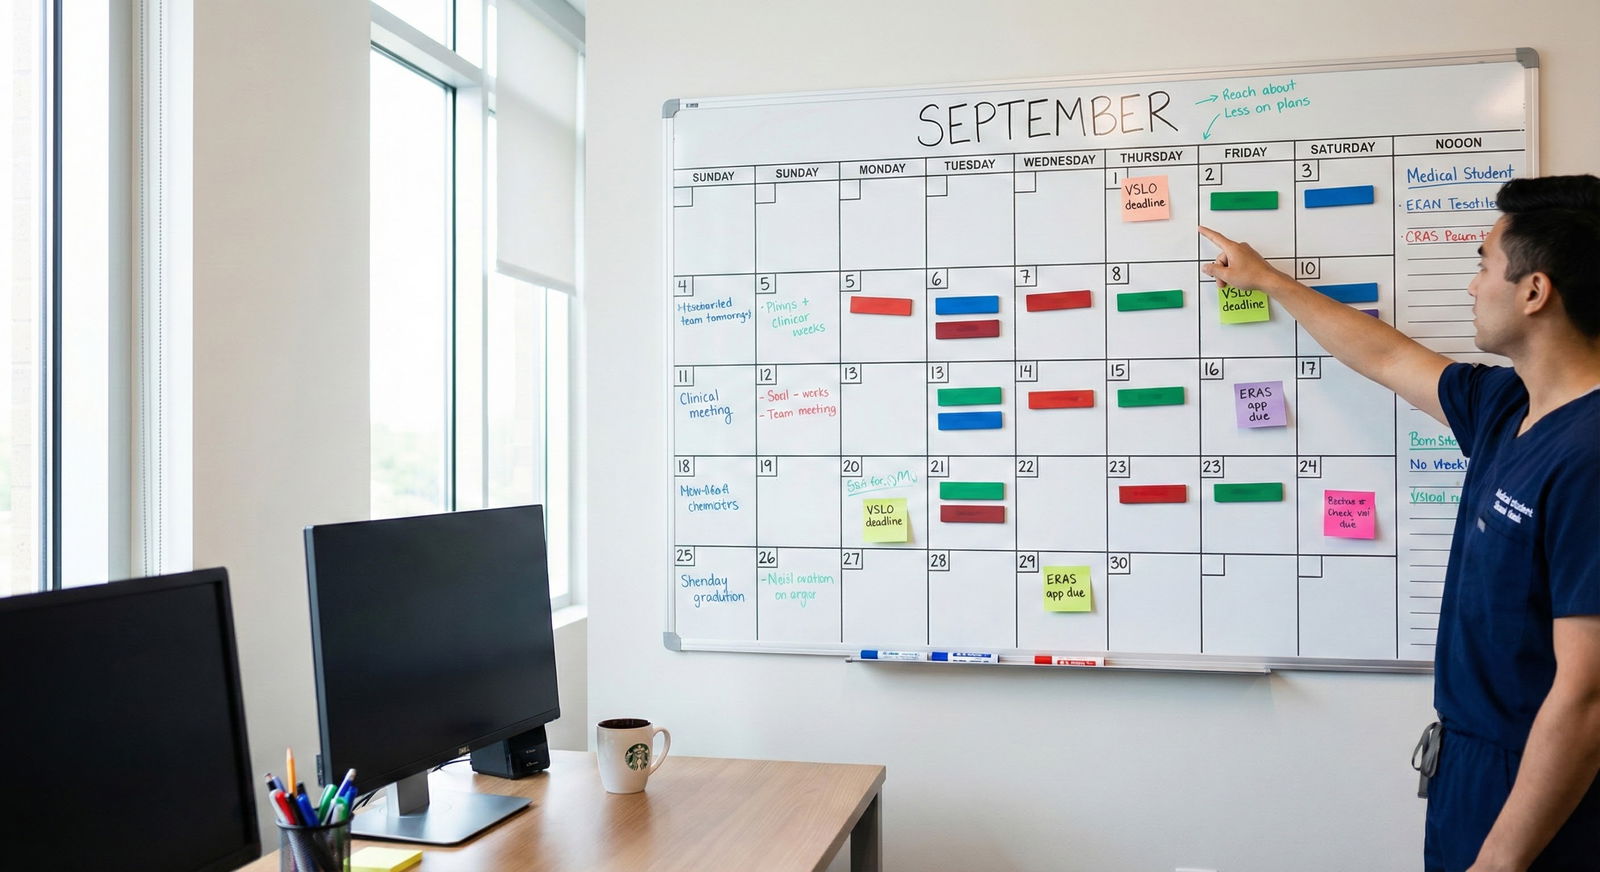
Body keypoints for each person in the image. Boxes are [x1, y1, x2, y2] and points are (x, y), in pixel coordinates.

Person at [1198, 174, 1600, 872]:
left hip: (1543, 790)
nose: (1472, 287)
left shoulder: (1590, 455)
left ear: (1535, 292)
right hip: (1470, 766)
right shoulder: (1508, 405)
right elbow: (1386, 355)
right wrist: (1268, 281)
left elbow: (1589, 697)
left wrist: (1499, 862)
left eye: (1483, 264)